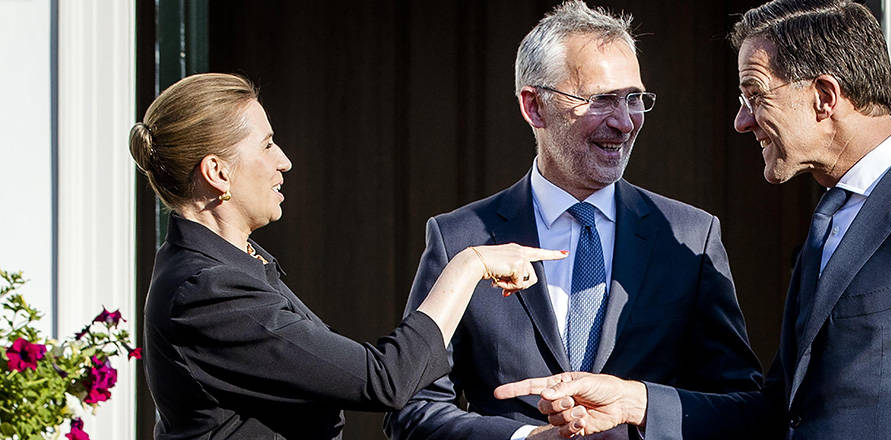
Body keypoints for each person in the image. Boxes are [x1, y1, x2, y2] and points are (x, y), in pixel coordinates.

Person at [493, 1, 891, 438]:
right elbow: (780, 410)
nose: (742, 122)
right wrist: (634, 402)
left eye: (754, 94)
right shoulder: (830, 224)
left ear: (824, 96)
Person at [383, 1, 763, 439]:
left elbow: (744, 408)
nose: (624, 122)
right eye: (601, 100)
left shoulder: (689, 237)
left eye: (634, 98)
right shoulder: (460, 239)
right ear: (534, 107)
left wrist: (639, 405)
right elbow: (412, 411)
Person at [131, 73, 566, 439]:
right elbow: (386, 381)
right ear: (217, 171)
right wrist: (470, 264)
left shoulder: (237, 263)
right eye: (266, 145)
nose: (284, 161)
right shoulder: (207, 289)